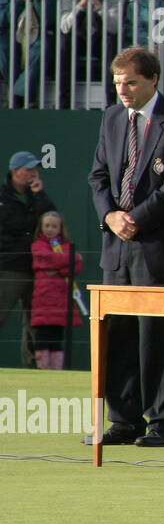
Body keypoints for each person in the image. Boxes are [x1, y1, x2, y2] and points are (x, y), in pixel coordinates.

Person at [85, 47, 164, 444]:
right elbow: (98, 176)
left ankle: (163, 423)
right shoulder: (112, 118)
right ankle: (123, 420)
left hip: (157, 243)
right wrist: (111, 216)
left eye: (130, 82)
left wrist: (137, 219)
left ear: (153, 80)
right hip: (116, 244)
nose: (123, 91)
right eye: (117, 84)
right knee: (119, 335)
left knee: (158, 337)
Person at [0, 151, 56, 369]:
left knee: (35, 322)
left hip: (36, 268)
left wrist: (39, 195)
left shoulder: (36, 196)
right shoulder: (3, 197)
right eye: (29, 170)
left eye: (35, 169)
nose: (33, 174)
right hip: (9, 268)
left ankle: (33, 368)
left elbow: (53, 220)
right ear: (15, 172)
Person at [28, 211, 82, 369]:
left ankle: (56, 371)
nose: (50, 229)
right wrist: (73, 258)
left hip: (61, 301)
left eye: (54, 226)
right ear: (41, 227)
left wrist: (57, 268)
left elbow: (76, 268)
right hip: (43, 300)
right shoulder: (38, 245)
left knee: (57, 337)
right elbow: (45, 260)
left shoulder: (65, 246)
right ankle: (42, 369)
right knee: (42, 336)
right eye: (46, 225)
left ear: (60, 228)